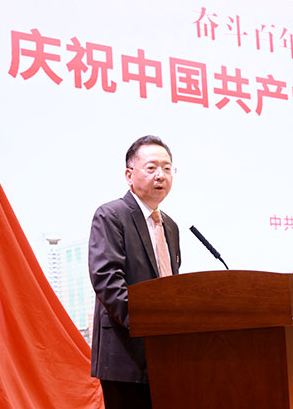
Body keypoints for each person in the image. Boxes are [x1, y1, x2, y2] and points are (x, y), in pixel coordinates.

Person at [88, 135, 181, 409]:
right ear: (129, 175)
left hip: (166, 355)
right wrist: (152, 325)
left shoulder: (170, 226)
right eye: (151, 168)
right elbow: (107, 281)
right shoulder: (111, 215)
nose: (160, 175)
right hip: (125, 356)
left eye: (167, 168)